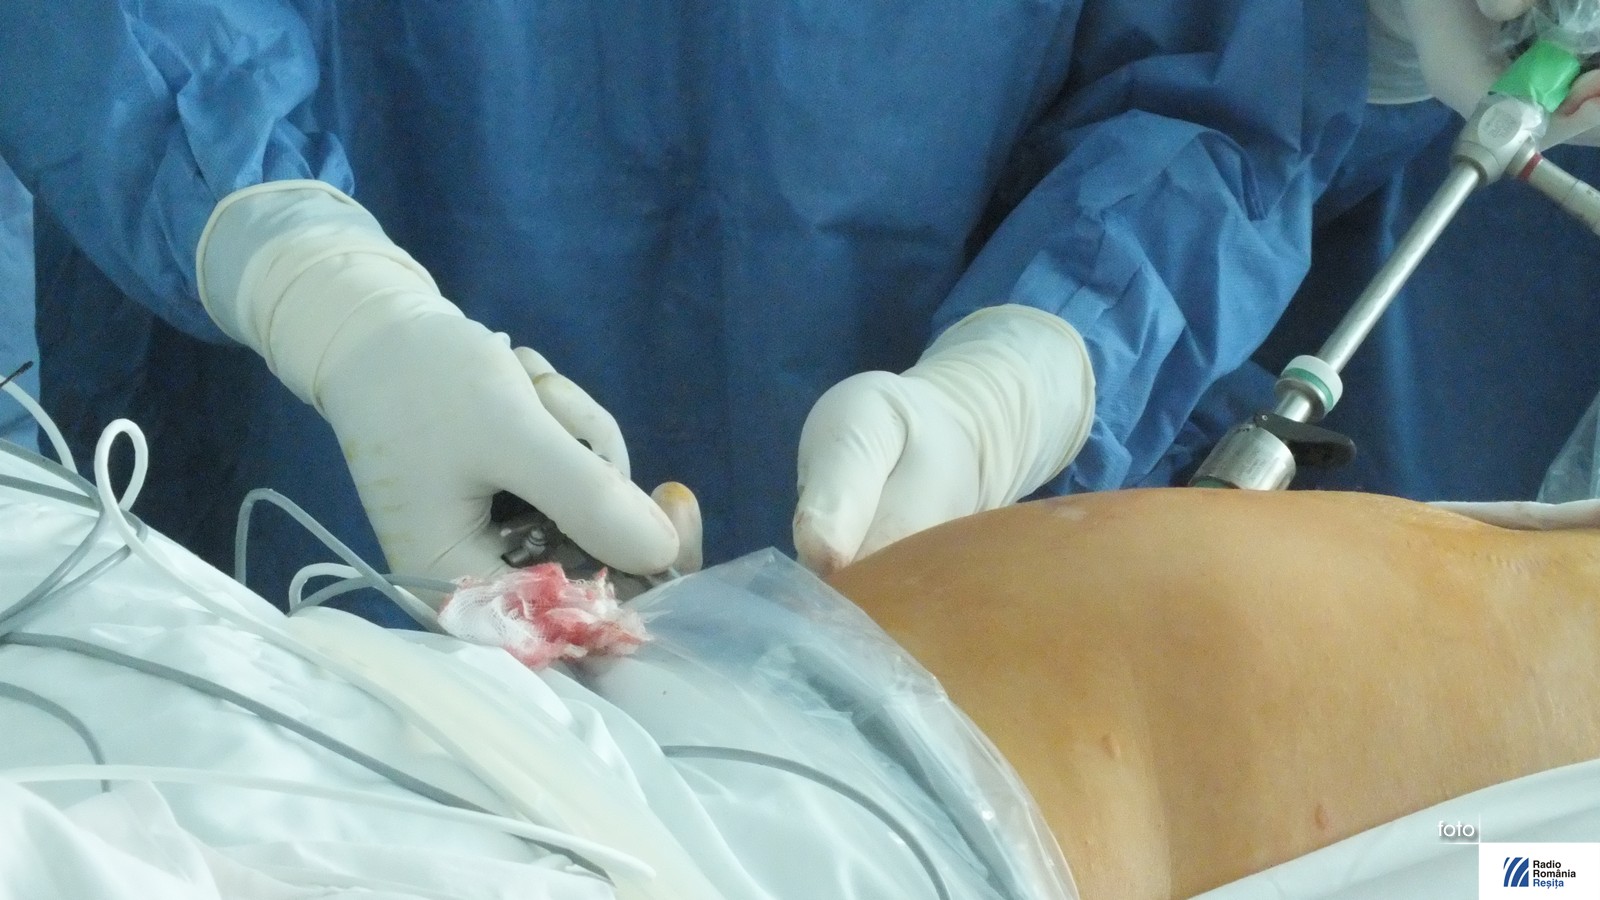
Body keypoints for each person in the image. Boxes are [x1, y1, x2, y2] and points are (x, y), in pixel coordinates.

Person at [0, 1, 1374, 619]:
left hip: (911, 639)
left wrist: (1029, 367)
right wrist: (317, 286)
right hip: (275, 560)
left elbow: (1215, 75)